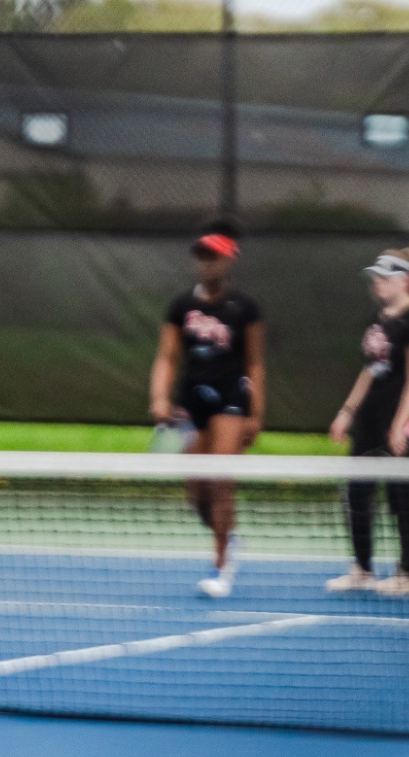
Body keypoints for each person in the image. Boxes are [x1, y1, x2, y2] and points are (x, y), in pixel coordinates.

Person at [148, 218, 268, 598]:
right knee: (197, 490)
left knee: (220, 478)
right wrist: (159, 398)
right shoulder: (181, 305)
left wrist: (256, 413)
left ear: (229, 260)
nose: (207, 263)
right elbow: (167, 356)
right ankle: (227, 536)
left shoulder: (244, 308)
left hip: (231, 397)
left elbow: (255, 363)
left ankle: (220, 565)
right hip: (192, 400)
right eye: (202, 256)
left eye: (214, 256)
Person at [326, 249, 409, 597]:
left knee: (399, 495)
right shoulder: (377, 321)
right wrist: (347, 411)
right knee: (356, 494)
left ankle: (408, 574)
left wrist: (401, 424)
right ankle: (362, 569)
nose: (377, 283)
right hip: (369, 422)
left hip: (399, 424)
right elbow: (369, 370)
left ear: (405, 280)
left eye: (384, 277)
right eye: (375, 277)